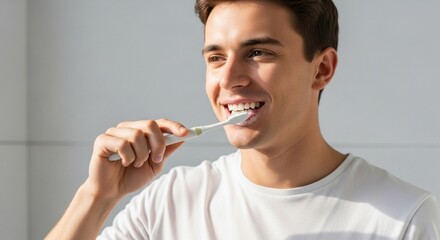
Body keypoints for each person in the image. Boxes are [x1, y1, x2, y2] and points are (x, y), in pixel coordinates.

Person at [46, 0, 440, 239]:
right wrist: (97, 197)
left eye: (258, 53)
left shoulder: (403, 217)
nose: (230, 78)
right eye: (216, 57)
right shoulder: (171, 201)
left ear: (321, 69)